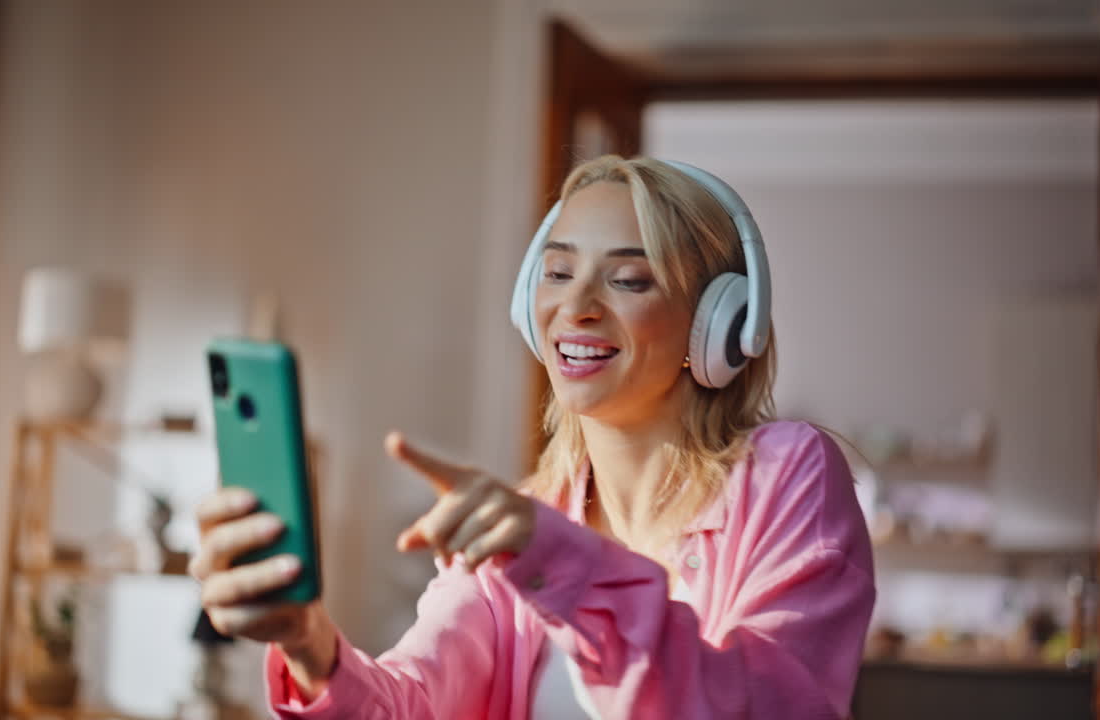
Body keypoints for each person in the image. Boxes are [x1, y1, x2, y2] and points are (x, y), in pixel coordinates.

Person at [189, 155, 876, 719]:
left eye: (629, 279)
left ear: (718, 326)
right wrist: (310, 646)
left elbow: (773, 709)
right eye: (557, 271)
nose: (575, 307)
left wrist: (560, 561)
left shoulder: (789, 474)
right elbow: (412, 705)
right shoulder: (525, 521)